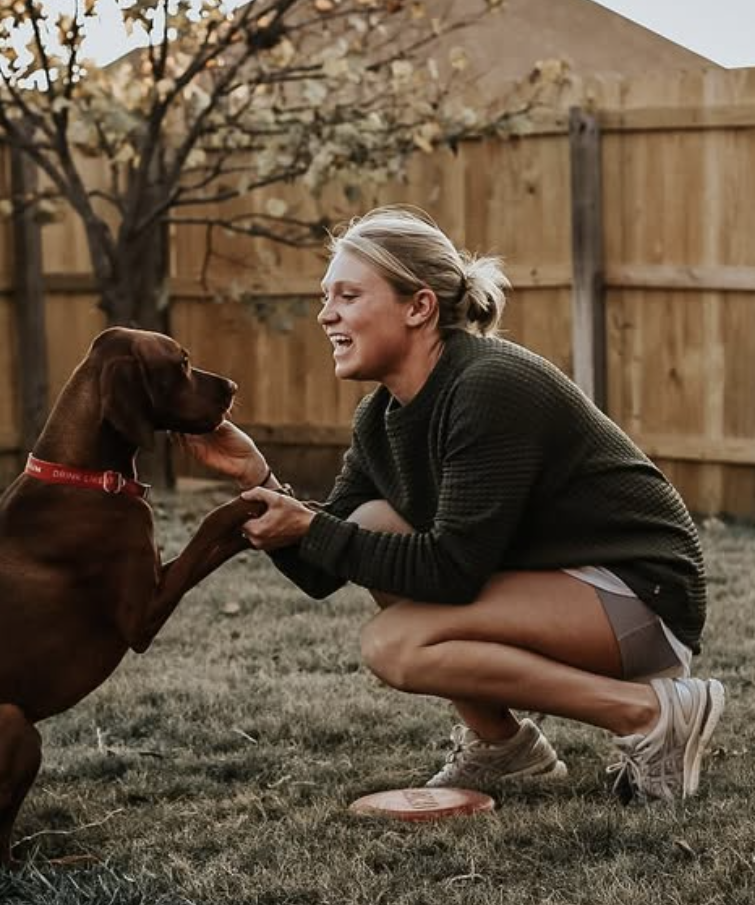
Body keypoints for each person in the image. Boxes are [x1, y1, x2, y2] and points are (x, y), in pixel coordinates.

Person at [175, 206, 724, 803]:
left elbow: (452, 570)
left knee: (395, 644)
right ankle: (506, 752)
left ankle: (648, 714)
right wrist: (258, 477)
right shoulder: (381, 417)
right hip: (561, 586)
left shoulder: (489, 385)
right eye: (325, 296)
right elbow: (320, 565)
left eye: (349, 295)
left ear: (419, 307)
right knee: (370, 520)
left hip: (641, 596)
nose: (325, 313)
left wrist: (313, 527)